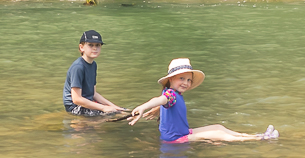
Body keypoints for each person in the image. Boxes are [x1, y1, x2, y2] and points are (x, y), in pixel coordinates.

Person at [128, 58, 278, 142]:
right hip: (176, 140)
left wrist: (157, 109)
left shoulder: (172, 95)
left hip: (182, 133)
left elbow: (162, 102)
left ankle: (254, 135)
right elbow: (159, 99)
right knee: (218, 135)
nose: (185, 83)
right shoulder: (170, 95)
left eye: (188, 80)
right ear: (170, 79)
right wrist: (143, 107)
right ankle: (260, 139)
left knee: (218, 127)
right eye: (181, 78)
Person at [64, 29, 126, 118]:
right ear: (81, 47)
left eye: (97, 45)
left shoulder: (93, 65)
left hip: (88, 102)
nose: (95, 48)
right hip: (75, 107)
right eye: (90, 45)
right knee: (110, 114)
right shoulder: (78, 67)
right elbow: (77, 99)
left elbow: (93, 94)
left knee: (121, 111)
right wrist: (104, 108)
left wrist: (115, 106)